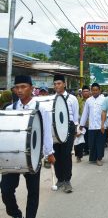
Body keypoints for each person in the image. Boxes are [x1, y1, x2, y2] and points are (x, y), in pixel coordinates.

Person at [1, 75, 55, 218]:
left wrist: (49, 152)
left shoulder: (40, 109)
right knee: (6, 190)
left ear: (31, 88)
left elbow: (46, 132)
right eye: (17, 87)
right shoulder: (10, 108)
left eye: (23, 87)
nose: (20, 90)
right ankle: (16, 214)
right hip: (13, 155)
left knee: (33, 192)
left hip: (34, 154)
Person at [53, 74, 79, 193]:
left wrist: (75, 130)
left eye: (59, 83)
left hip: (68, 128)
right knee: (56, 155)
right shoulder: (52, 99)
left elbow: (75, 116)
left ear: (64, 84)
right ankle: (60, 179)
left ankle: (67, 181)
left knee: (66, 154)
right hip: (55, 130)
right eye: (55, 84)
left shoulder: (72, 98)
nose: (57, 86)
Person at [79, 83, 106, 166]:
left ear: (99, 90)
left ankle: (99, 158)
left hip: (101, 125)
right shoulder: (88, 100)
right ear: (91, 91)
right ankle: (93, 158)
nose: (95, 91)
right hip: (91, 126)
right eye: (93, 90)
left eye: (96, 90)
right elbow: (85, 114)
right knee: (92, 143)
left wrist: (103, 124)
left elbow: (105, 113)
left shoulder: (104, 100)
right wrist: (81, 125)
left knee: (100, 143)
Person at [75, 85, 90, 162]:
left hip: (91, 123)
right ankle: (85, 151)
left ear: (89, 92)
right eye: (84, 91)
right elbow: (77, 112)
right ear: (82, 93)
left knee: (89, 138)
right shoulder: (79, 101)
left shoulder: (91, 100)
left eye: (87, 91)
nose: (85, 93)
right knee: (82, 138)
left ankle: (89, 150)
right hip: (82, 123)